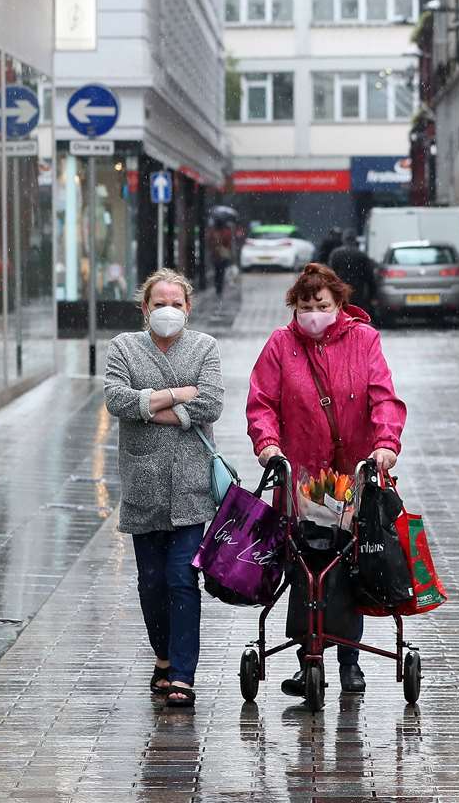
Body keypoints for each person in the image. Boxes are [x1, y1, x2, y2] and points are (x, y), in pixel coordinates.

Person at [246, 263, 406, 698]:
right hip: (300, 475)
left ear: (339, 305)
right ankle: (307, 655)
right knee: (305, 565)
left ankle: (349, 659)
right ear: (293, 307)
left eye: (322, 305)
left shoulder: (364, 340)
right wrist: (268, 444)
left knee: (350, 562)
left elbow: (383, 397)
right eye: (305, 305)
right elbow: (262, 401)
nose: (313, 313)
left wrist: (385, 443)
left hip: (354, 473)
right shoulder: (281, 345)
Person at [103, 268, 225, 709]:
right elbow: (117, 399)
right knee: (150, 582)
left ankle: (182, 674)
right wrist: (179, 394)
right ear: (145, 308)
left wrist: (148, 404)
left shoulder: (204, 348)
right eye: (160, 303)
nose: (168, 310)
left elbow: (211, 402)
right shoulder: (124, 348)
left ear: (188, 308)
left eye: (176, 303)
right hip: (143, 485)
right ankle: (162, 655)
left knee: (181, 577)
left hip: (191, 488)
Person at [328, 231, 377, 314]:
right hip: (357, 293)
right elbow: (370, 278)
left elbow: (330, 275)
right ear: (355, 240)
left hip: (340, 292)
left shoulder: (335, 254)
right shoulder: (361, 255)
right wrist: (372, 296)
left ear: (343, 240)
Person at [207, 221, 235, 298]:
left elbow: (209, 242)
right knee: (221, 272)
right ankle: (219, 288)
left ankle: (218, 288)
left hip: (216, 255)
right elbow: (228, 243)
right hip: (222, 255)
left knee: (217, 272)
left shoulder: (213, 232)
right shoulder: (226, 231)